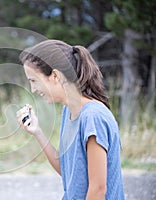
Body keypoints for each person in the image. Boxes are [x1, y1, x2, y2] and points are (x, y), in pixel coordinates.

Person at [16, 40, 125, 199]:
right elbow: (68, 172)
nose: (33, 89)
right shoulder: (69, 111)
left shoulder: (93, 117)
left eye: (33, 80)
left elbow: (98, 189)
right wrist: (37, 132)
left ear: (55, 76)